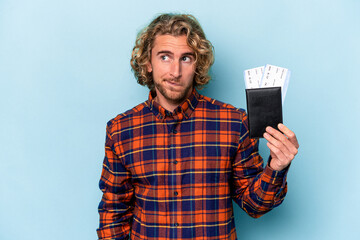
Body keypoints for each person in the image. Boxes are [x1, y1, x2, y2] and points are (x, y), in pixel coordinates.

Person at [97, 13, 299, 240]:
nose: (175, 71)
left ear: (197, 64)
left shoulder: (234, 123)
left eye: (186, 58)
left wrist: (277, 168)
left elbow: (255, 205)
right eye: (165, 57)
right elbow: (113, 214)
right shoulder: (120, 130)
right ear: (147, 62)